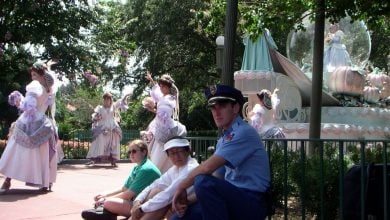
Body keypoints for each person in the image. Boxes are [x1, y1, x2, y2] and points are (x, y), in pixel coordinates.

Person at [172, 84, 271, 220]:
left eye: (222, 106)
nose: (216, 112)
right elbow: (218, 177)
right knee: (178, 218)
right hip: (234, 197)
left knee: (203, 181)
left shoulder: (243, 132)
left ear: (235, 108)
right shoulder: (223, 140)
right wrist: (189, 201)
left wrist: (181, 186)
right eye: (213, 107)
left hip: (252, 201)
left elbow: (207, 168)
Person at [0, 61, 59, 193]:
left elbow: (28, 107)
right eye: (32, 75)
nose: (32, 77)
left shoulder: (34, 86)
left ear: (41, 75)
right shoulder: (49, 89)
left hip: (28, 121)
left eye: (34, 74)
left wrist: (17, 100)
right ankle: (45, 182)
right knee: (42, 153)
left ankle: (7, 181)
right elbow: (44, 106)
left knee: (16, 150)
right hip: (43, 123)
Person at [81, 139, 161, 220]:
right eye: (129, 152)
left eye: (134, 151)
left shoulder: (146, 169)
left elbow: (129, 194)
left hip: (143, 207)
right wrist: (105, 195)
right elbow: (124, 188)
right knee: (106, 199)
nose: (131, 154)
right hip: (137, 202)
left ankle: (103, 213)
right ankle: (103, 213)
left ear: (144, 152)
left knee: (108, 202)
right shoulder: (138, 167)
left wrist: (106, 200)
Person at [130, 137, 200, 220]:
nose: (176, 156)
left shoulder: (190, 168)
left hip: (192, 208)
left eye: (179, 151)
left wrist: (141, 209)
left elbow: (168, 195)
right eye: (172, 153)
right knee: (156, 191)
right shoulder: (175, 168)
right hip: (177, 206)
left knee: (162, 202)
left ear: (188, 151)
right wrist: (138, 201)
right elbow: (154, 184)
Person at [141, 71, 187, 173]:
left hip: (164, 127)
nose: (161, 88)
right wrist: (152, 80)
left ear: (167, 87)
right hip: (158, 126)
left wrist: (153, 109)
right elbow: (157, 93)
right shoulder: (164, 97)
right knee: (155, 152)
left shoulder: (169, 99)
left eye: (162, 86)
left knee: (160, 155)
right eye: (160, 86)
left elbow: (163, 116)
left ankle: (156, 174)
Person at [86, 92, 130, 167]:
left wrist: (125, 96)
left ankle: (113, 160)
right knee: (99, 141)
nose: (106, 101)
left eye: (108, 99)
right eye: (105, 99)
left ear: (110, 100)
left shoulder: (113, 106)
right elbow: (95, 117)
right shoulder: (99, 108)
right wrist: (96, 118)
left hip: (112, 126)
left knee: (114, 141)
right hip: (102, 127)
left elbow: (120, 102)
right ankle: (93, 159)